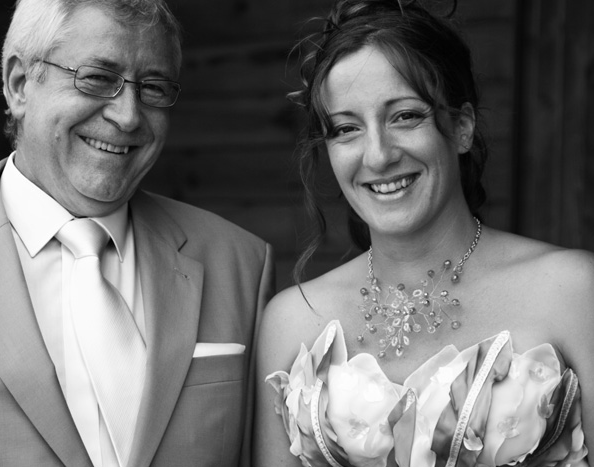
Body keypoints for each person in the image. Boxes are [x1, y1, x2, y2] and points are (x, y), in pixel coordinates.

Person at [0, 0, 274, 466]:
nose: (129, 116)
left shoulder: (241, 263)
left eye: (153, 87)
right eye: (97, 78)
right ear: (19, 84)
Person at [254, 0, 594, 466]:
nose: (378, 156)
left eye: (405, 116)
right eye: (347, 128)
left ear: (462, 127)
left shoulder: (573, 290)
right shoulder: (291, 321)